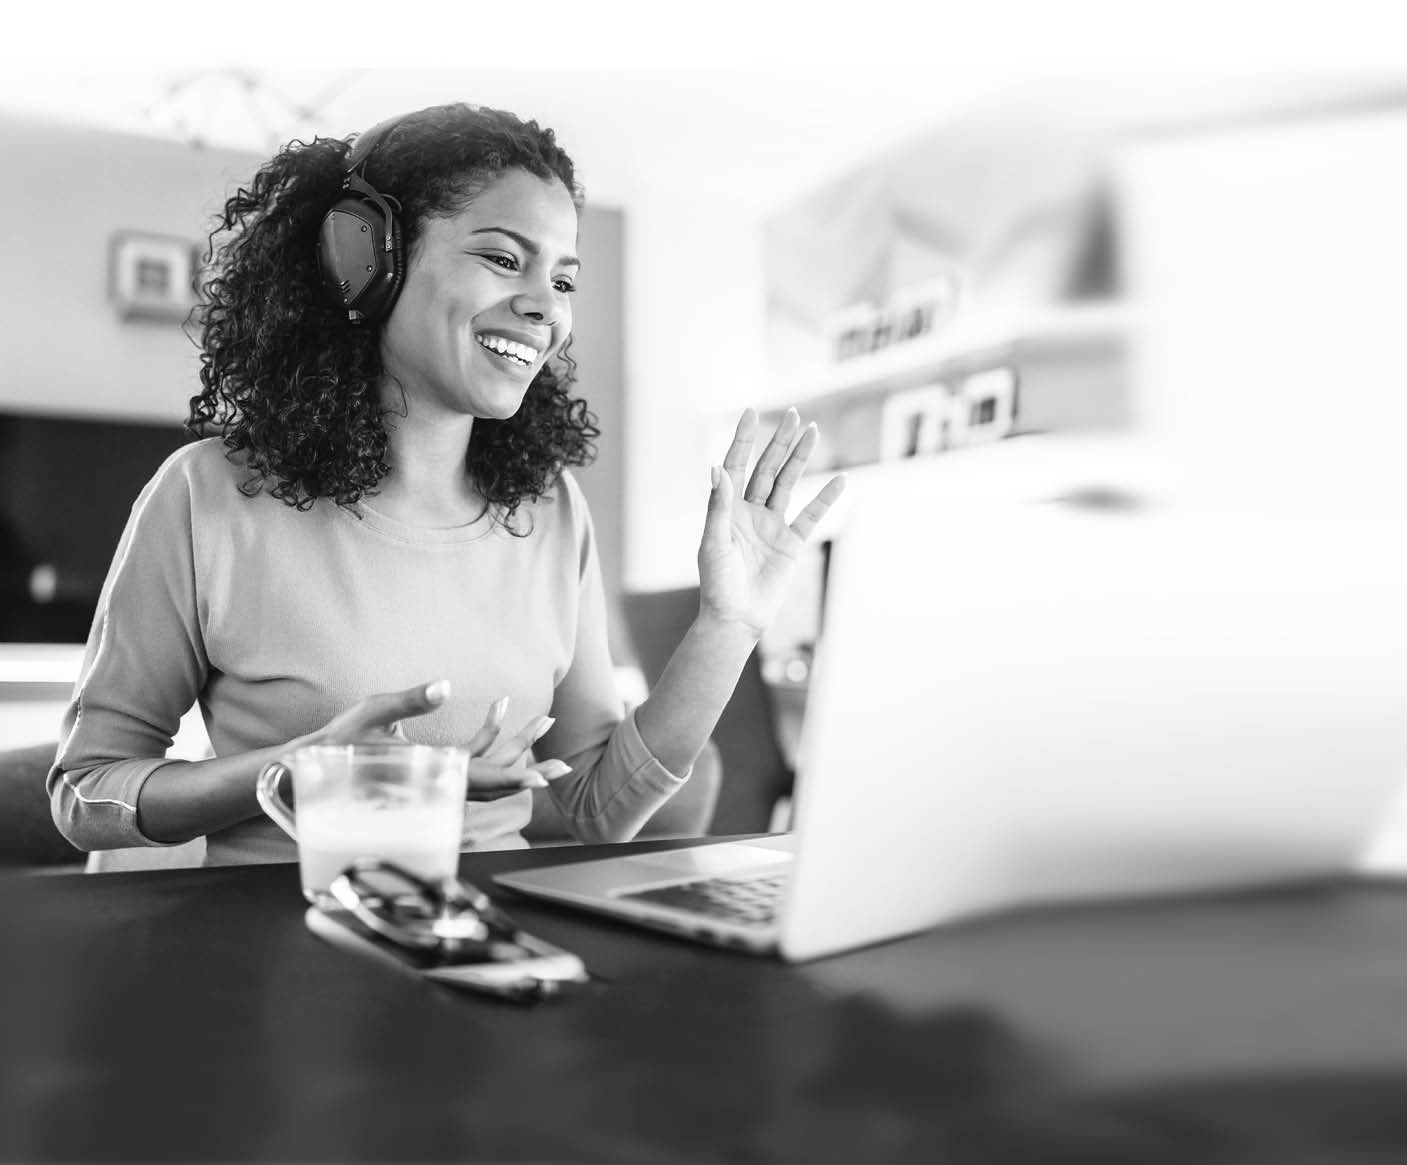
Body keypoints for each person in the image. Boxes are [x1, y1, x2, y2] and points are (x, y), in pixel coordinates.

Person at [47, 102, 845, 866]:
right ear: (362, 260)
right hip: (284, 947)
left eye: (563, 280)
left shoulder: (547, 508)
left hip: (488, 947)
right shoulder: (206, 495)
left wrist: (726, 626)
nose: (544, 309)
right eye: (503, 259)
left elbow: (594, 808)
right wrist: (292, 769)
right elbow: (86, 793)